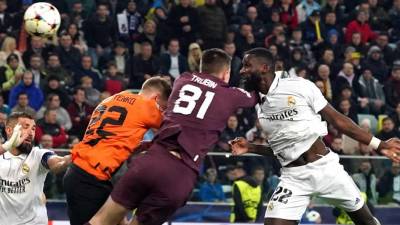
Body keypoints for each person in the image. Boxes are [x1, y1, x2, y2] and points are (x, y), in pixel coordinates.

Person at [230, 47, 400, 225]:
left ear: (264, 68)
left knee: (366, 222)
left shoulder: (299, 86)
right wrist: (251, 147)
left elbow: (337, 120)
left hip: (326, 170)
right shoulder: (258, 104)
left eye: (247, 66)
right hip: (293, 177)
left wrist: (379, 144)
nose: (242, 71)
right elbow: (282, 149)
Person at [87, 48, 257, 225]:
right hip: (179, 172)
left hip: (150, 160)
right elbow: (255, 97)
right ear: (226, 73)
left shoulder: (182, 79)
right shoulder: (231, 95)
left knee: (100, 220)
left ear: (201, 67)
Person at [64, 77, 172, 225]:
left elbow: (111, 136)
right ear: (156, 98)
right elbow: (173, 127)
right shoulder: (147, 106)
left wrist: (138, 145)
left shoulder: (110, 100)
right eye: (162, 107)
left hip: (82, 172)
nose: (161, 111)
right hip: (91, 178)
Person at [0, 112, 71, 225]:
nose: (30, 133)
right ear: (9, 131)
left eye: (33, 129)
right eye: (25, 127)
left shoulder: (38, 154)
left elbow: (55, 162)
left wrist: (68, 159)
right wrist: (7, 145)